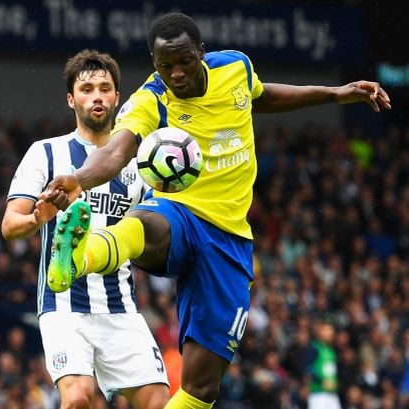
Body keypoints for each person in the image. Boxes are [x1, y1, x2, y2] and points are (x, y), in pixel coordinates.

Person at [39, 12, 391, 409]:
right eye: (164, 66)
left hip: (229, 238)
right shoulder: (150, 99)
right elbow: (118, 151)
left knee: (201, 389)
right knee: (143, 221)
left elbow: (260, 96)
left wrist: (334, 93)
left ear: (201, 54)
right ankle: (79, 257)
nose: (175, 74)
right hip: (181, 212)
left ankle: (85, 255)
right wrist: (79, 179)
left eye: (184, 61)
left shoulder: (235, 67)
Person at [1, 49, 170, 408]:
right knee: (78, 398)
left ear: (117, 98)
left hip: (120, 306)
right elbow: (9, 225)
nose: (97, 96)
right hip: (64, 305)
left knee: (158, 401)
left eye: (105, 88)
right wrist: (36, 219)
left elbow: (155, 232)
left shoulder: (142, 161)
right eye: (87, 88)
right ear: (71, 99)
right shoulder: (45, 153)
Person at [306, 320, 342, 409]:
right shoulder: (314, 348)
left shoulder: (331, 350)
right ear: (318, 331)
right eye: (325, 329)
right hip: (318, 394)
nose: (328, 332)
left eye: (330, 329)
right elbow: (308, 368)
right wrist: (321, 381)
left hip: (332, 394)